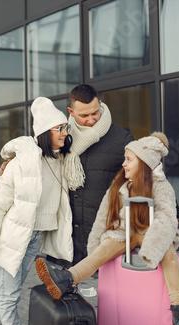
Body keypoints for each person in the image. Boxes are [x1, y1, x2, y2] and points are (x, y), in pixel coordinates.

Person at [35, 132, 179, 325]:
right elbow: (103, 214)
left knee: (169, 255)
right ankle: (66, 279)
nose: (124, 164)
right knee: (104, 248)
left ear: (144, 163)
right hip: (126, 232)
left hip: (153, 232)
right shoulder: (120, 184)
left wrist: (153, 246)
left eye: (129, 160)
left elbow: (168, 218)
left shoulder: (161, 186)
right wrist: (96, 244)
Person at [0, 97, 83, 325]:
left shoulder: (62, 159)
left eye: (66, 128)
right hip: (13, 237)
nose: (65, 132)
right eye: (60, 128)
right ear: (45, 131)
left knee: (6, 289)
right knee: (10, 294)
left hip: (35, 238)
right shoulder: (21, 164)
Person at [65, 84, 134, 265]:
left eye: (95, 113)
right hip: (66, 243)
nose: (92, 119)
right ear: (71, 112)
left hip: (103, 237)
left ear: (100, 104)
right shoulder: (62, 138)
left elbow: (146, 173)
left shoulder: (121, 138)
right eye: (84, 116)